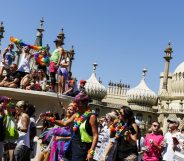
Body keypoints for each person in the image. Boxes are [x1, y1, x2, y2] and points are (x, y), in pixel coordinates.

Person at [41, 93, 98, 161]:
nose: (76, 106)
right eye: (75, 104)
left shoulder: (91, 116)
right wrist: (50, 119)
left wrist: (91, 152)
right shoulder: (76, 115)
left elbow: (95, 135)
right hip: (72, 146)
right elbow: (65, 123)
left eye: (78, 104)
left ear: (84, 104)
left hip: (83, 149)